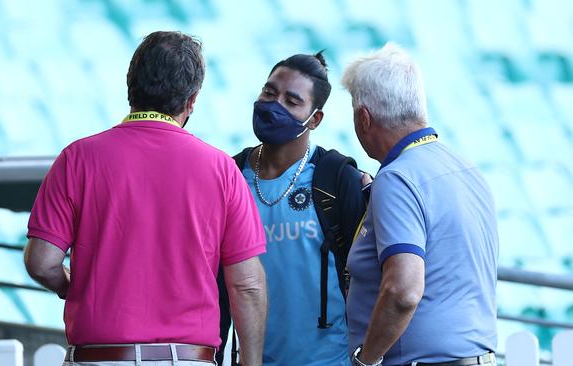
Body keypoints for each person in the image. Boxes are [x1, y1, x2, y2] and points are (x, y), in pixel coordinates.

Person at [23, 31, 268, 366]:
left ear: (130, 85)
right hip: (187, 358)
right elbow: (248, 286)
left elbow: (42, 262)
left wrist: (69, 285)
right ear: (191, 99)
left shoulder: (78, 158)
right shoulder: (222, 169)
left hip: (98, 357)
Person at [341, 43, 499, 366]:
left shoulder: (398, 178)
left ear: (364, 118)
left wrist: (366, 360)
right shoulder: (466, 169)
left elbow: (403, 290)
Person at [217, 52, 369, 366]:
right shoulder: (231, 176)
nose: (274, 106)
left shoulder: (336, 179)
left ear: (315, 119)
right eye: (269, 93)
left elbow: (371, 275)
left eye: (291, 101)